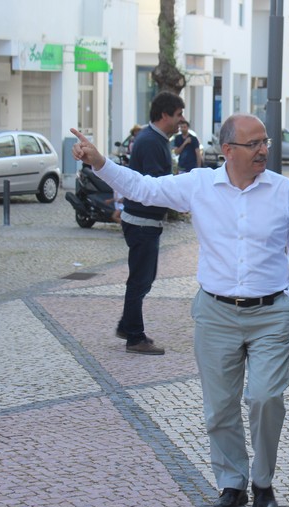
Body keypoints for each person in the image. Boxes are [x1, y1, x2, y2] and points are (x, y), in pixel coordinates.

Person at [70, 113, 289, 507]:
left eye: (265, 142)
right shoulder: (199, 184)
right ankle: (232, 483)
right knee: (220, 406)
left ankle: (263, 481)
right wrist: (100, 163)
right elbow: (143, 188)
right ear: (228, 150)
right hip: (215, 313)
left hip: (272, 314)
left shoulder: (285, 191)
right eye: (254, 144)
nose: (263, 150)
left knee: (265, 397)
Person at [117, 92, 185, 354]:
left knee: (144, 277)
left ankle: (127, 325)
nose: (181, 120)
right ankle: (134, 337)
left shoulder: (155, 139)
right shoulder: (150, 142)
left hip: (144, 221)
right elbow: (157, 185)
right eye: (178, 115)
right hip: (142, 222)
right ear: (164, 115)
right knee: (140, 280)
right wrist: (181, 196)